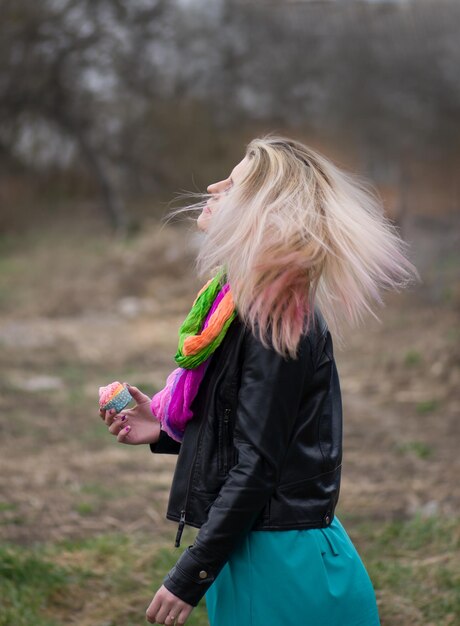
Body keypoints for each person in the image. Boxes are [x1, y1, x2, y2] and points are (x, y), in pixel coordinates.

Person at [99, 135, 420, 626]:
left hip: (277, 563)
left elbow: (257, 468)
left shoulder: (274, 321)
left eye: (233, 185)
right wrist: (161, 428)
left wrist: (190, 575)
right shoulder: (241, 308)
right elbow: (250, 430)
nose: (213, 186)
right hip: (259, 550)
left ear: (265, 214)